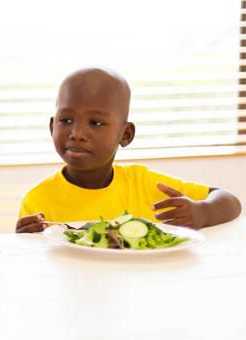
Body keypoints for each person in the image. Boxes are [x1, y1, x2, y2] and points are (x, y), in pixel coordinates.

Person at [16, 67, 242, 233]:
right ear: (51, 126)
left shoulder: (144, 184)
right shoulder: (38, 200)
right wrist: (24, 243)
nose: (77, 133)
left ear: (125, 135)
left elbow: (229, 201)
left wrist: (202, 212)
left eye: (95, 123)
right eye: (66, 120)